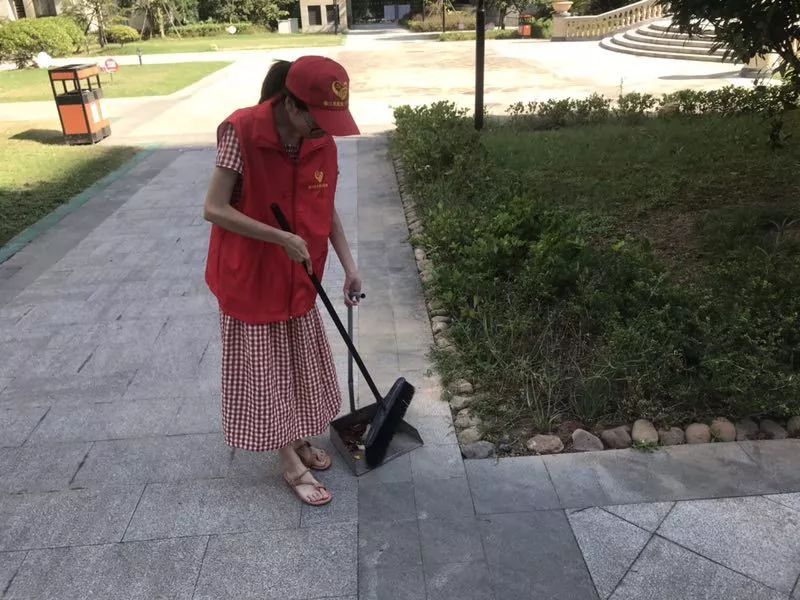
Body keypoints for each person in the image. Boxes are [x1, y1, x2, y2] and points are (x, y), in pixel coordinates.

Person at [203, 56, 361, 507]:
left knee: (296, 364)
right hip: (250, 276)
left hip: (298, 276)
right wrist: (281, 237)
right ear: (292, 104)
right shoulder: (241, 132)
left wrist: (350, 266)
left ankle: (296, 435)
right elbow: (213, 208)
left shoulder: (320, 141)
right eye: (318, 120)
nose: (324, 131)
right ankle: (288, 459)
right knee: (266, 372)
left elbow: (325, 206)